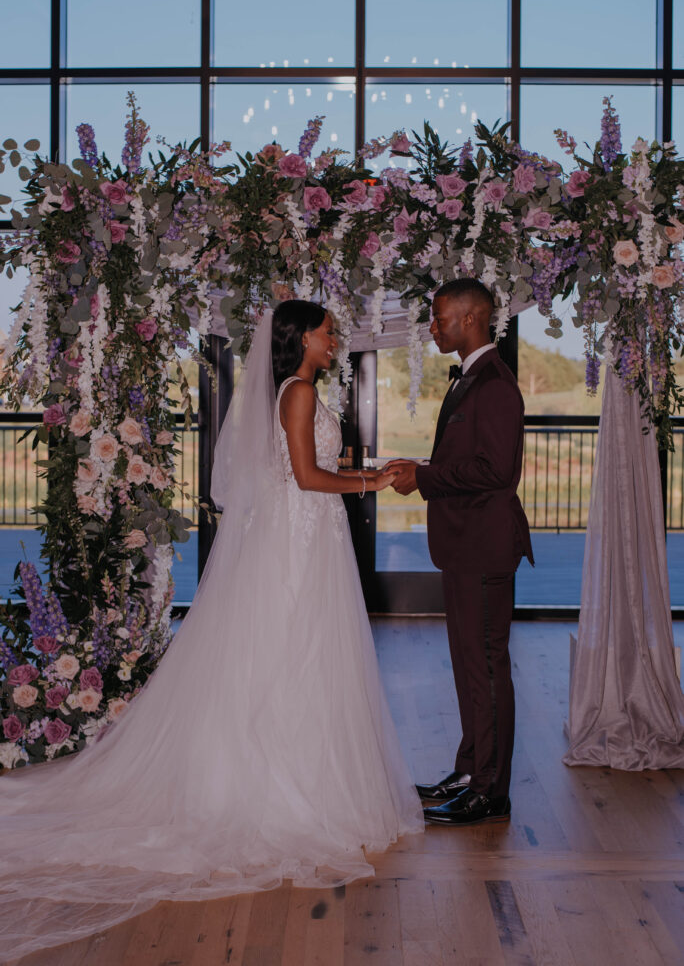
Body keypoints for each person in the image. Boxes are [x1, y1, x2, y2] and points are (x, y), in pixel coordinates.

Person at [0, 300, 423, 961]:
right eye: (327, 330)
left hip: (310, 540)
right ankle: (283, 794)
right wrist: (375, 479)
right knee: (291, 655)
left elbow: (301, 475)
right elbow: (309, 478)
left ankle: (308, 781)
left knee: (305, 659)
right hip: (297, 542)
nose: (336, 337)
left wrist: (374, 472)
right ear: (302, 339)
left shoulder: (300, 389)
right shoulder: (301, 391)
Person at [387, 278, 533, 827]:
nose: (432, 327)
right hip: (464, 547)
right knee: (472, 667)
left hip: (483, 547)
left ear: (470, 320)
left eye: (438, 318)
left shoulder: (494, 384)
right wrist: (423, 471)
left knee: (487, 671)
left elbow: (495, 472)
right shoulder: (471, 378)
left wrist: (422, 476)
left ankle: (491, 794)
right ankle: (470, 771)